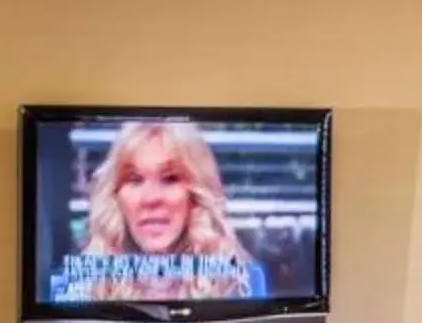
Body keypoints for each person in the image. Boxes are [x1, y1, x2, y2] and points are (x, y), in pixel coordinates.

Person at [52, 119, 269, 302]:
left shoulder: (242, 283)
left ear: (195, 195)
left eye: (170, 178)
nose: (151, 199)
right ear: (115, 195)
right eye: (135, 179)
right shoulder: (73, 287)